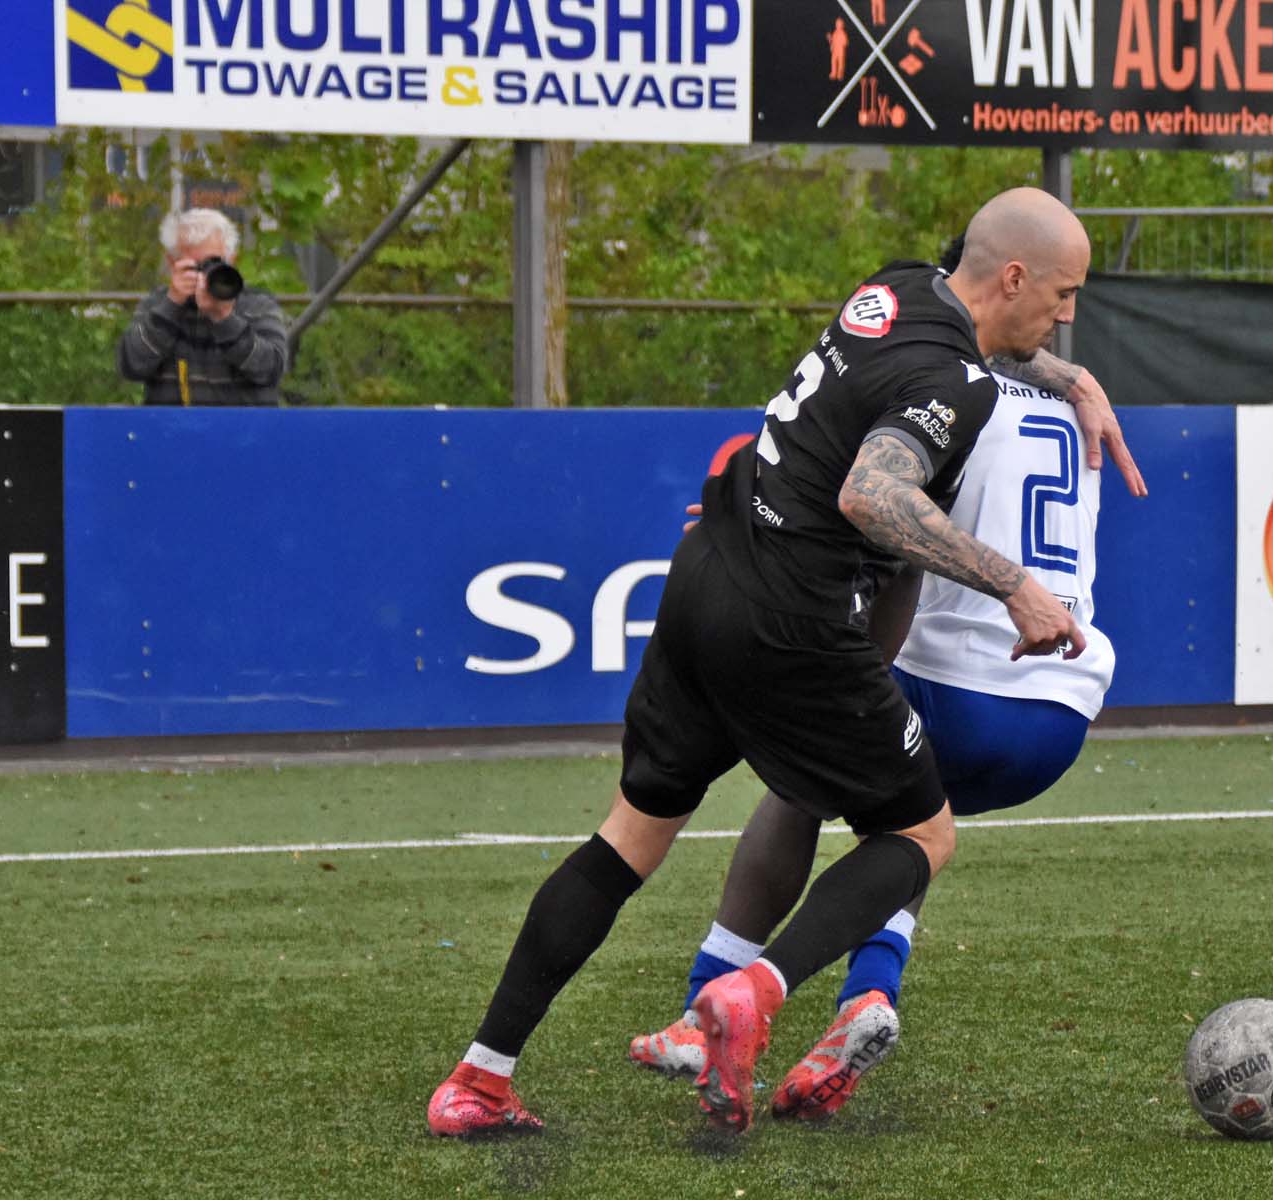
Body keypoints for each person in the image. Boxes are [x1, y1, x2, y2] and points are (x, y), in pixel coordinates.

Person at [427, 187, 1124, 1139]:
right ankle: (752, 992)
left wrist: (1066, 375)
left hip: (707, 572)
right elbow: (873, 496)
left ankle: (478, 1080)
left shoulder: (896, 288)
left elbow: (970, 344)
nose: (1069, 314)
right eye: (1062, 293)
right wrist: (1015, 586)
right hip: (793, 622)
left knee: (629, 838)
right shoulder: (956, 387)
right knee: (922, 837)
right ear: (1012, 277)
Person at [628, 351, 1125, 1121]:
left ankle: (708, 1008)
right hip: (1063, 706)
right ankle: (867, 994)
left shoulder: (939, 389)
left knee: (799, 782)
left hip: (957, 680)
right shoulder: (1068, 398)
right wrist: (1078, 376)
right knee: (910, 817)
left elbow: (875, 517)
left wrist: (754, 526)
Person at [117, 208, 288, 406]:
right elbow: (132, 366)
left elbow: (271, 370)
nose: (205, 275)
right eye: (194, 266)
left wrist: (224, 319)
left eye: (214, 264)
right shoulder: (156, 304)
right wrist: (171, 306)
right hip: (174, 423)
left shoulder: (257, 304)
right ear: (172, 262)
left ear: (232, 260)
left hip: (243, 423)